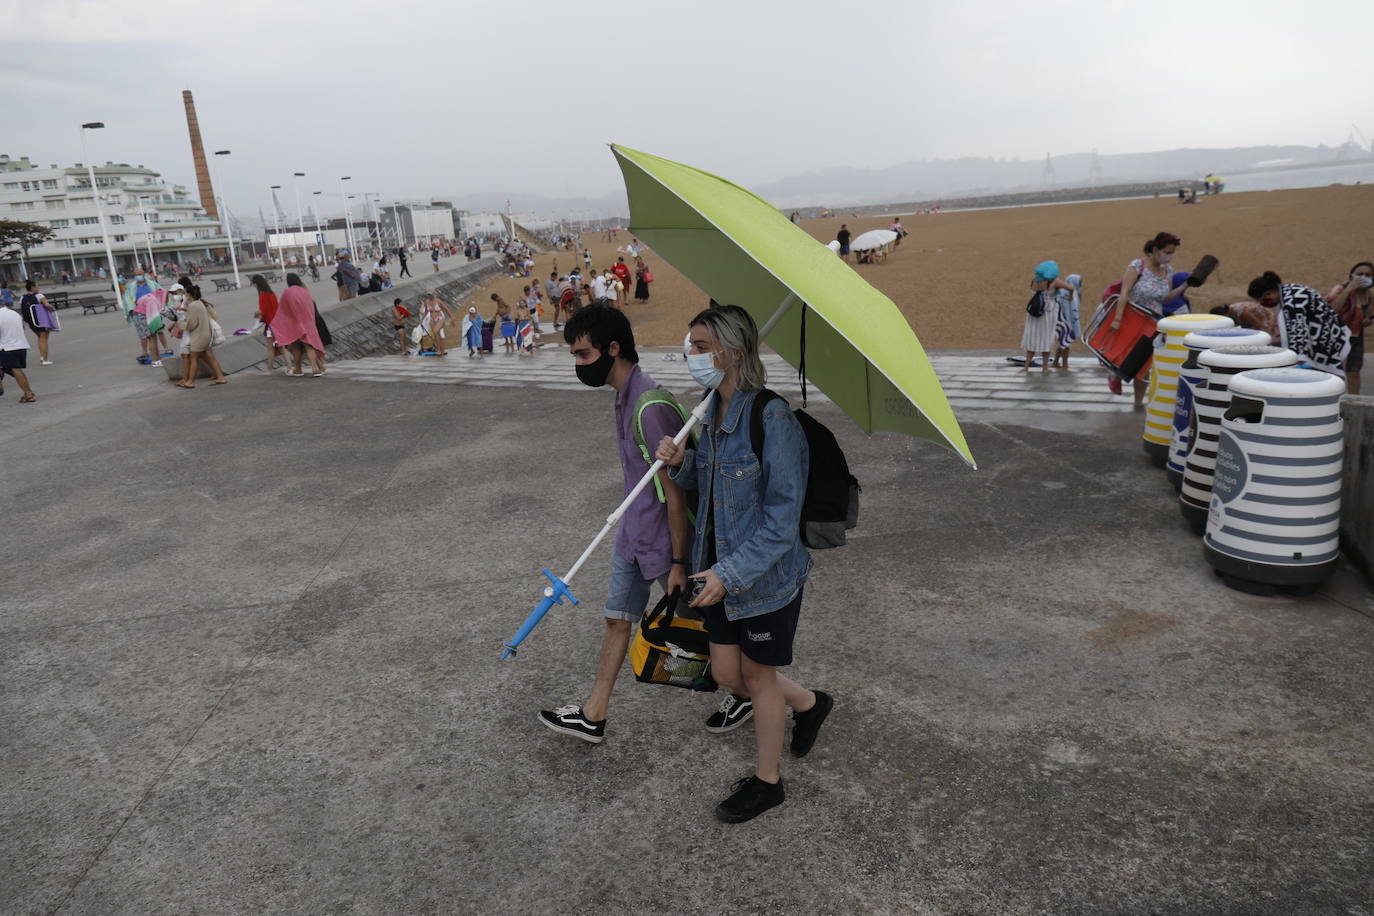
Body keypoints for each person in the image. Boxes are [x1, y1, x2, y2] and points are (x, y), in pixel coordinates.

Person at [654, 305, 832, 823]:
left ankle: (767, 782)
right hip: (718, 577)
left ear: (732, 352)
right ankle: (809, 703)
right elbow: (706, 493)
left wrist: (728, 576)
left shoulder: (772, 418)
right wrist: (681, 462)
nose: (691, 355)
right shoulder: (708, 414)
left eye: (701, 346)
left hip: (765, 580)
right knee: (729, 674)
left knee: (756, 676)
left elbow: (782, 521)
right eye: (691, 345)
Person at [539, 305, 692, 747]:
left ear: (613, 348)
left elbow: (675, 491)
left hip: (663, 545)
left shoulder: (649, 406)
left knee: (707, 633)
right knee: (616, 619)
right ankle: (594, 714)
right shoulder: (623, 396)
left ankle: (778, 697)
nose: (578, 365)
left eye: (583, 355)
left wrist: (680, 561)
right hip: (633, 535)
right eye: (574, 355)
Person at [1109, 232, 1191, 407]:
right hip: (1133, 319)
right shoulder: (1138, 266)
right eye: (1167, 252)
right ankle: (1115, 374)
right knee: (1126, 356)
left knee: (1145, 365)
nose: (1169, 256)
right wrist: (1117, 318)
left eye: (1172, 253)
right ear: (1155, 250)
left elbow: (1166, 298)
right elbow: (1124, 291)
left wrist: (1185, 286)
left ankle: (1138, 402)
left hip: (1153, 323)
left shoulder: (1167, 270)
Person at [1246, 271, 1351, 378]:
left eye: (1262, 300)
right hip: (1335, 338)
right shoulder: (1291, 290)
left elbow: (1296, 345)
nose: (1263, 303)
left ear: (1268, 293)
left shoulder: (1290, 306)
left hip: (1326, 346)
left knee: (1328, 384)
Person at [1327, 262, 1373, 394]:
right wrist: (1348, 290)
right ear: (1352, 275)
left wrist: (1368, 320)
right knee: (1334, 373)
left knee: (1354, 373)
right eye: (1360, 274)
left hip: (1355, 337)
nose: (1363, 277)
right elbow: (1331, 309)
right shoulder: (1340, 289)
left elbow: (1368, 315)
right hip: (1335, 336)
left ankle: (1353, 401)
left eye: (1368, 275)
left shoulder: (1369, 295)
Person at [270, 274, 327, 377]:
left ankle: (298, 369)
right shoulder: (305, 291)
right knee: (309, 346)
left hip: (295, 324)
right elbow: (311, 307)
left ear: (288, 282)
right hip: (308, 323)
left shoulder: (287, 292)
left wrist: (276, 323)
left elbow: (283, 309)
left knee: (295, 346)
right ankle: (315, 369)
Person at [174, 280, 228, 388]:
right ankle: (220, 377)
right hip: (206, 334)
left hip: (199, 337)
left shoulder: (193, 305)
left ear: (189, 295)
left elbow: (191, 325)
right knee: (210, 357)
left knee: (194, 358)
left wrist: (180, 324)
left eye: (186, 294)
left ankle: (190, 381)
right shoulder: (199, 303)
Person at [1021, 261, 1068, 374]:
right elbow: (1068, 287)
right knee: (1046, 340)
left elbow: (1033, 291)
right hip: (1047, 317)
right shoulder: (1053, 284)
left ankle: (1026, 367)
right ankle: (1045, 367)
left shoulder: (1034, 282)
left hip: (1033, 316)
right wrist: (1070, 295)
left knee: (1031, 340)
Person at [0, 295, 36, 403]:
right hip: (20, 345)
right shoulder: (14, 313)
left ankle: (29, 394)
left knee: (16, 370)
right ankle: (27, 393)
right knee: (13, 369)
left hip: (7, 347)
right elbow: (23, 328)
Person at [251, 275, 286, 373]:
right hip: (277, 323)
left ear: (257, 284)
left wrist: (257, 314)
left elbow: (263, 311)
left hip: (270, 325)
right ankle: (289, 366)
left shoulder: (262, 294)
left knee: (270, 348)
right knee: (282, 347)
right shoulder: (271, 293)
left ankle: (269, 369)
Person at [19, 280, 57, 366]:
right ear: (32, 288)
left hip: (31, 321)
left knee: (40, 338)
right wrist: (52, 308)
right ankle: (45, 359)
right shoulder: (39, 296)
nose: (38, 288)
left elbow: (22, 310)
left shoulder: (22, 297)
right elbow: (47, 305)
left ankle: (42, 356)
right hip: (41, 319)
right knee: (43, 339)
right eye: (37, 286)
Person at [1052, 273, 1082, 369]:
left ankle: (1056, 362)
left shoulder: (1064, 292)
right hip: (1067, 321)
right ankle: (1065, 363)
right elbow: (1071, 309)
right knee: (1066, 343)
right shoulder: (1069, 292)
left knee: (1063, 343)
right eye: (1079, 282)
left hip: (1063, 321)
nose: (1080, 284)